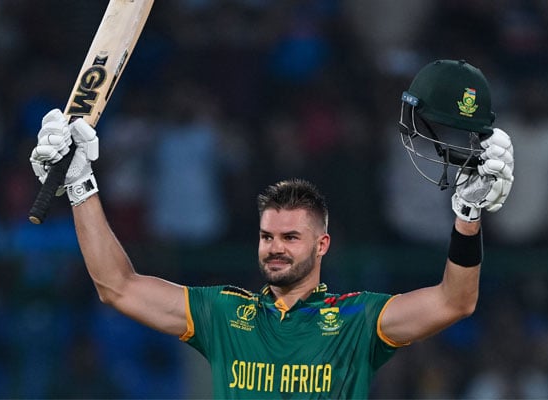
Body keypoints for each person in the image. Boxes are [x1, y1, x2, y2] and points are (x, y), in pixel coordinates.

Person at [29, 59, 514, 398]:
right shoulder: (224, 315)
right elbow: (117, 287)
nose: (275, 249)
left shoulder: (357, 322)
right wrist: (80, 185)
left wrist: (466, 220)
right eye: (268, 237)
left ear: (322, 245)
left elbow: (456, 301)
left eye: (290, 237)